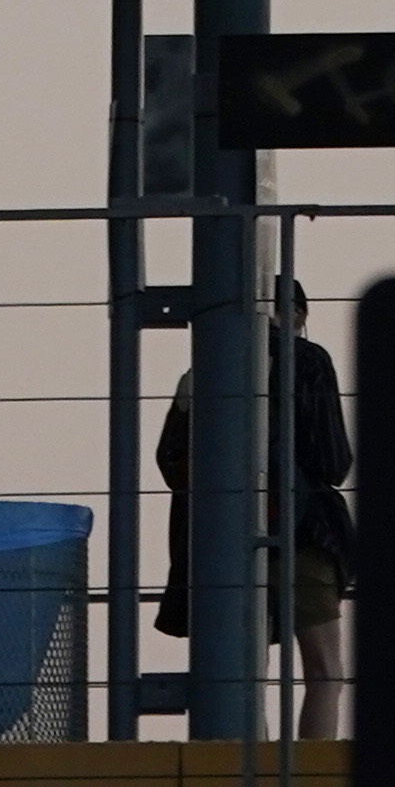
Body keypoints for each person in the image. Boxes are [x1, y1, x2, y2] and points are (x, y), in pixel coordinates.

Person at [155, 274, 356, 733]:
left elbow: (171, 464)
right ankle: (306, 777)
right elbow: (332, 460)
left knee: (243, 676)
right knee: (325, 670)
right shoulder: (307, 360)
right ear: (299, 314)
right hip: (302, 536)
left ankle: (251, 776)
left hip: (219, 543)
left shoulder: (204, 369)